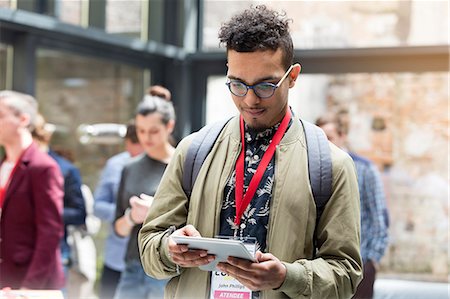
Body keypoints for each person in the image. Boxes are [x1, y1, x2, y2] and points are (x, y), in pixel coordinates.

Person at [139, 6, 362, 299]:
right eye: (237, 84)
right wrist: (168, 250)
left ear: (292, 76)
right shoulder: (193, 151)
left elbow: (346, 274)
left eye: (266, 85)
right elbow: (149, 247)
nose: (250, 99)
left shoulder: (330, 165)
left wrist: (287, 276)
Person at [316, 113, 389, 299]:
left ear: (342, 136)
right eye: (320, 138)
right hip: (322, 268)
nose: (325, 143)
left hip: (360, 265)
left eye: (330, 137)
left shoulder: (365, 169)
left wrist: (371, 261)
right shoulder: (314, 170)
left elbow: (379, 218)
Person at [0, 90, 64, 289]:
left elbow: (50, 232)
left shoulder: (43, 167)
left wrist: (30, 288)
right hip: (6, 277)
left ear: (23, 119)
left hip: (30, 281)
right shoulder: (4, 165)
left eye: (1, 116)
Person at [113, 95, 176, 299]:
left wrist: (156, 212)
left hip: (167, 267)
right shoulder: (130, 168)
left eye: (153, 131)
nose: (146, 137)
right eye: (141, 131)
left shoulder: (183, 166)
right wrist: (132, 217)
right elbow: (118, 228)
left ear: (169, 126)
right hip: (133, 264)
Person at [32, 113, 87, 277]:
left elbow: (79, 213)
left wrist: (40, 214)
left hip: (54, 251)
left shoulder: (65, 169)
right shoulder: (12, 165)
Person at [94, 120, 143, 299]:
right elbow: (98, 206)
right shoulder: (115, 165)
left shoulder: (168, 163)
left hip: (148, 261)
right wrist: (125, 213)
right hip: (117, 256)